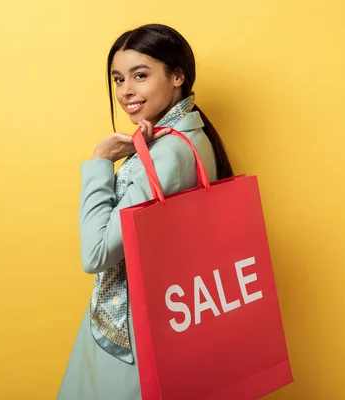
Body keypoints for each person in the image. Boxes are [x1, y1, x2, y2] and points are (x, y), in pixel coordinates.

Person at [57, 23, 233, 400]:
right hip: (176, 319)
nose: (126, 92)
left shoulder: (168, 153)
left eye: (141, 75)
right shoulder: (189, 135)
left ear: (177, 76)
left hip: (135, 336)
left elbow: (97, 254)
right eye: (118, 79)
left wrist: (100, 164)